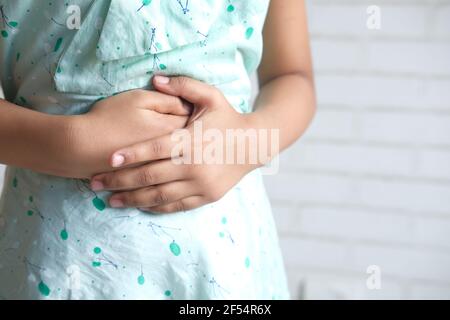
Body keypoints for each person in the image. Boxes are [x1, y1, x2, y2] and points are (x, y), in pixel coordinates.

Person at [0, 0, 315, 299]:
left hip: (226, 265)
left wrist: (246, 144)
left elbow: (291, 76)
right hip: (55, 261)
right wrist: (71, 141)